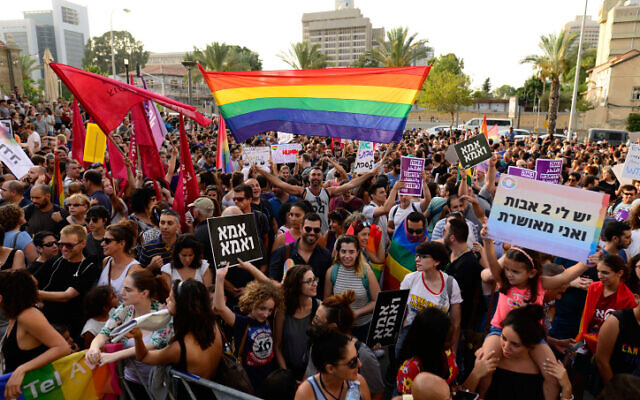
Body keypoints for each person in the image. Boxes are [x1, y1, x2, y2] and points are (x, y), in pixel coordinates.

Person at [480, 230, 597, 400]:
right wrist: (488, 242)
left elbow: (564, 276)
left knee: (551, 376)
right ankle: (481, 396)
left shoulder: (540, 284)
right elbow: (491, 262)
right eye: (508, 269)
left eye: (516, 271)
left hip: (532, 337)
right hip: (500, 331)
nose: (510, 274)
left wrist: (585, 264)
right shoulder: (503, 280)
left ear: (532, 273)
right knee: (485, 366)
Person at [86, 270, 170, 400]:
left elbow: (152, 344)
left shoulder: (162, 313)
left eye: (128, 290)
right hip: (130, 382)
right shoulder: (125, 309)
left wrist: (113, 356)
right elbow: (104, 333)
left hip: (158, 385)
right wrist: (94, 348)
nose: (121, 293)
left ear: (144, 293)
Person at [132, 279, 223, 399]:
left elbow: (143, 357)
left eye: (170, 299)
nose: (166, 300)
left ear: (182, 306)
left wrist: (138, 337)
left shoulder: (180, 347)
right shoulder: (213, 326)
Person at [572, 254, 636, 398]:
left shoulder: (629, 299)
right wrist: (580, 340)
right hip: (587, 343)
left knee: (601, 389)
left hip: (609, 349)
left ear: (619, 273)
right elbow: (586, 317)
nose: (600, 275)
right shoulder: (594, 288)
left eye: (605, 272)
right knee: (577, 381)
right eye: (598, 271)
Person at [0, 270, 71, 400]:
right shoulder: (14, 317)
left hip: (37, 392)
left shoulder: (28, 315)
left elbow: (62, 347)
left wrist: (22, 369)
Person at [256, 163, 383, 233]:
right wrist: (262, 172)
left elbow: (351, 184)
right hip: (307, 231)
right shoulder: (302, 192)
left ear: (322, 178)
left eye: (318, 175)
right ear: (309, 178)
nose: (316, 177)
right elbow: (281, 184)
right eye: (313, 175)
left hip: (325, 232)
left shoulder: (329, 192)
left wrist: (370, 174)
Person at [215, 265, 282, 392]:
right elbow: (220, 308)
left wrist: (249, 266)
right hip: (247, 381)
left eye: (270, 310)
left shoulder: (268, 320)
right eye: (262, 308)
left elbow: (276, 287)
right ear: (251, 303)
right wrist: (219, 278)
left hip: (267, 379)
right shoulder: (242, 322)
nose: (266, 314)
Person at [485, 305, 573, 400]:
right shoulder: (487, 362)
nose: (505, 347)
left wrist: (567, 387)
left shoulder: (546, 374)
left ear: (530, 345)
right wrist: (475, 375)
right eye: (503, 338)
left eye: (515, 344)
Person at [36, 224, 101, 339]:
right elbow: (32, 280)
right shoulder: (55, 261)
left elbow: (67, 295)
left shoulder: (89, 268)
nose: (64, 249)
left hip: (71, 328)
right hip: (47, 322)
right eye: (61, 244)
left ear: (83, 244)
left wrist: (35, 294)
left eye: (69, 245)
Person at [399, 242, 462, 355]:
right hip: (409, 337)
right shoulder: (410, 279)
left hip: (436, 340)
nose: (417, 259)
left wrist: (453, 353)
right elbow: (399, 311)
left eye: (423, 257)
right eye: (417, 256)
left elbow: (455, 322)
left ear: (437, 262)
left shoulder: (451, 284)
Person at [324, 234, 380, 342]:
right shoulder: (332, 271)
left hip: (362, 327)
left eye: (351, 252)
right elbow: (326, 300)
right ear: (338, 252)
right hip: (340, 327)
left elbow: (377, 301)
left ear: (358, 252)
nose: (347, 256)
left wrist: (356, 313)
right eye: (343, 251)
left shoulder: (367, 272)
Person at [294, 325, 372, 400]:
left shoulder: (359, 382)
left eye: (357, 356)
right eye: (352, 362)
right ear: (330, 368)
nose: (359, 364)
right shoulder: (306, 393)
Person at [273, 264, 319, 380]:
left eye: (314, 279)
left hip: (312, 375)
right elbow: (277, 346)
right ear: (297, 285)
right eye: (309, 281)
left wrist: (307, 378)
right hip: (288, 372)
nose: (315, 284)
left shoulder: (320, 308)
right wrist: (286, 377)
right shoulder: (282, 310)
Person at [270, 212, 333, 297]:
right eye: (308, 229)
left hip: (314, 307)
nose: (312, 232)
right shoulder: (282, 253)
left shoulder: (326, 255)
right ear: (301, 228)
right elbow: (272, 283)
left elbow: (326, 287)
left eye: (316, 230)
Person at [596, 278, 640, 384]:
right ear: (637, 298)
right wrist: (616, 392)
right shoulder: (616, 320)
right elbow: (602, 361)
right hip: (616, 387)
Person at [98, 223, 142, 302]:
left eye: (107, 241)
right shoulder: (106, 261)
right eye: (103, 240)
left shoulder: (134, 269)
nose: (102, 244)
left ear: (122, 243)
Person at [188, 196, 215, 265]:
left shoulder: (200, 232)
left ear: (198, 212)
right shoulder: (219, 224)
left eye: (194, 208)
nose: (192, 210)